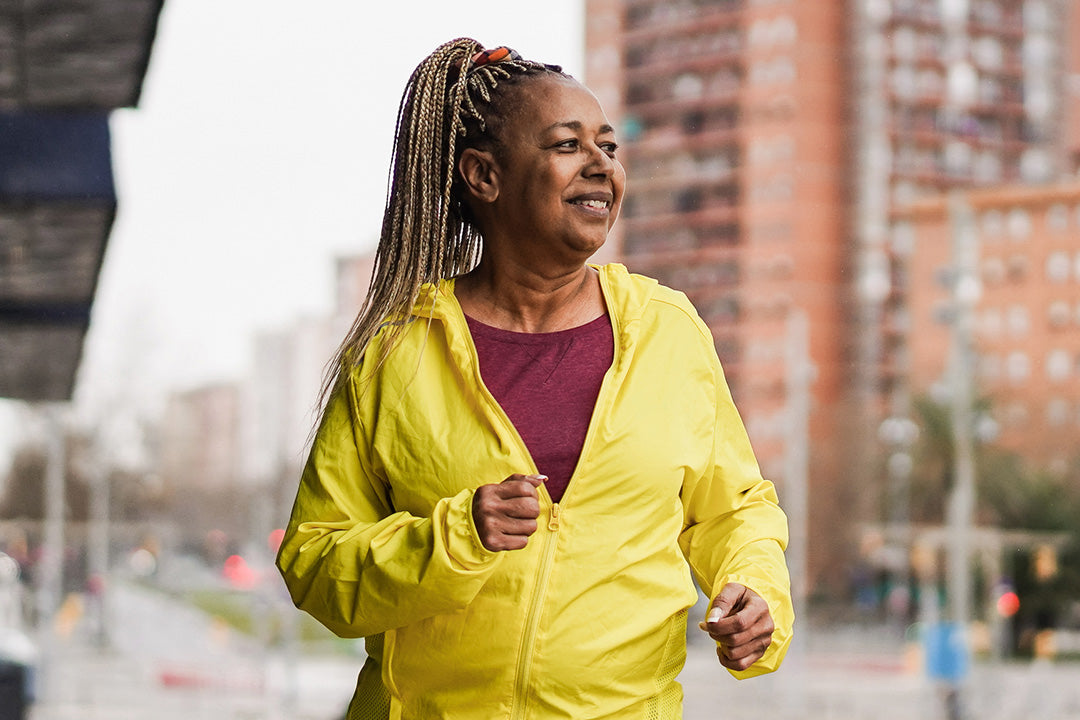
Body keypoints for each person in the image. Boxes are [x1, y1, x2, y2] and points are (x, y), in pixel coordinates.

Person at [276, 38, 793, 720]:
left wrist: (754, 588)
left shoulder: (668, 331)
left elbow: (734, 509)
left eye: (608, 146)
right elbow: (315, 563)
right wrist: (455, 536)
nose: (601, 165)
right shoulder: (393, 353)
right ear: (483, 175)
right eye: (567, 145)